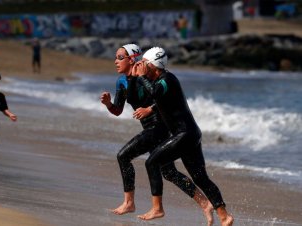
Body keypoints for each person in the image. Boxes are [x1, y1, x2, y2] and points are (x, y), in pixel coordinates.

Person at [100, 44, 214, 225]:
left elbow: (163, 97)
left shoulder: (145, 77)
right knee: (169, 172)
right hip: (149, 129)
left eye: (120, 57)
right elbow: (118, 110)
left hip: (160, 126)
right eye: (116, 57)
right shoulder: (121, 82)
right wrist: (108, 104)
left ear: (132, 59)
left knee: (124, 155)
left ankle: (129, 203)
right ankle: (205, 203)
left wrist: (149, 109)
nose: (115, 61)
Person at [132, 47, 234, 225]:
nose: (141, 66)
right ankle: (224, 216)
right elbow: (160, 97)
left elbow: (156, 92)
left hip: (185, 134)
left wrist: (140, 77)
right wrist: (148, 103)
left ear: (152, 65)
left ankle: (157, 209)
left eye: (144, 63)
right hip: (190, 134)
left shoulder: (167, 79)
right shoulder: (159, 80)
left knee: (152, 162)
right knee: (199, 177)